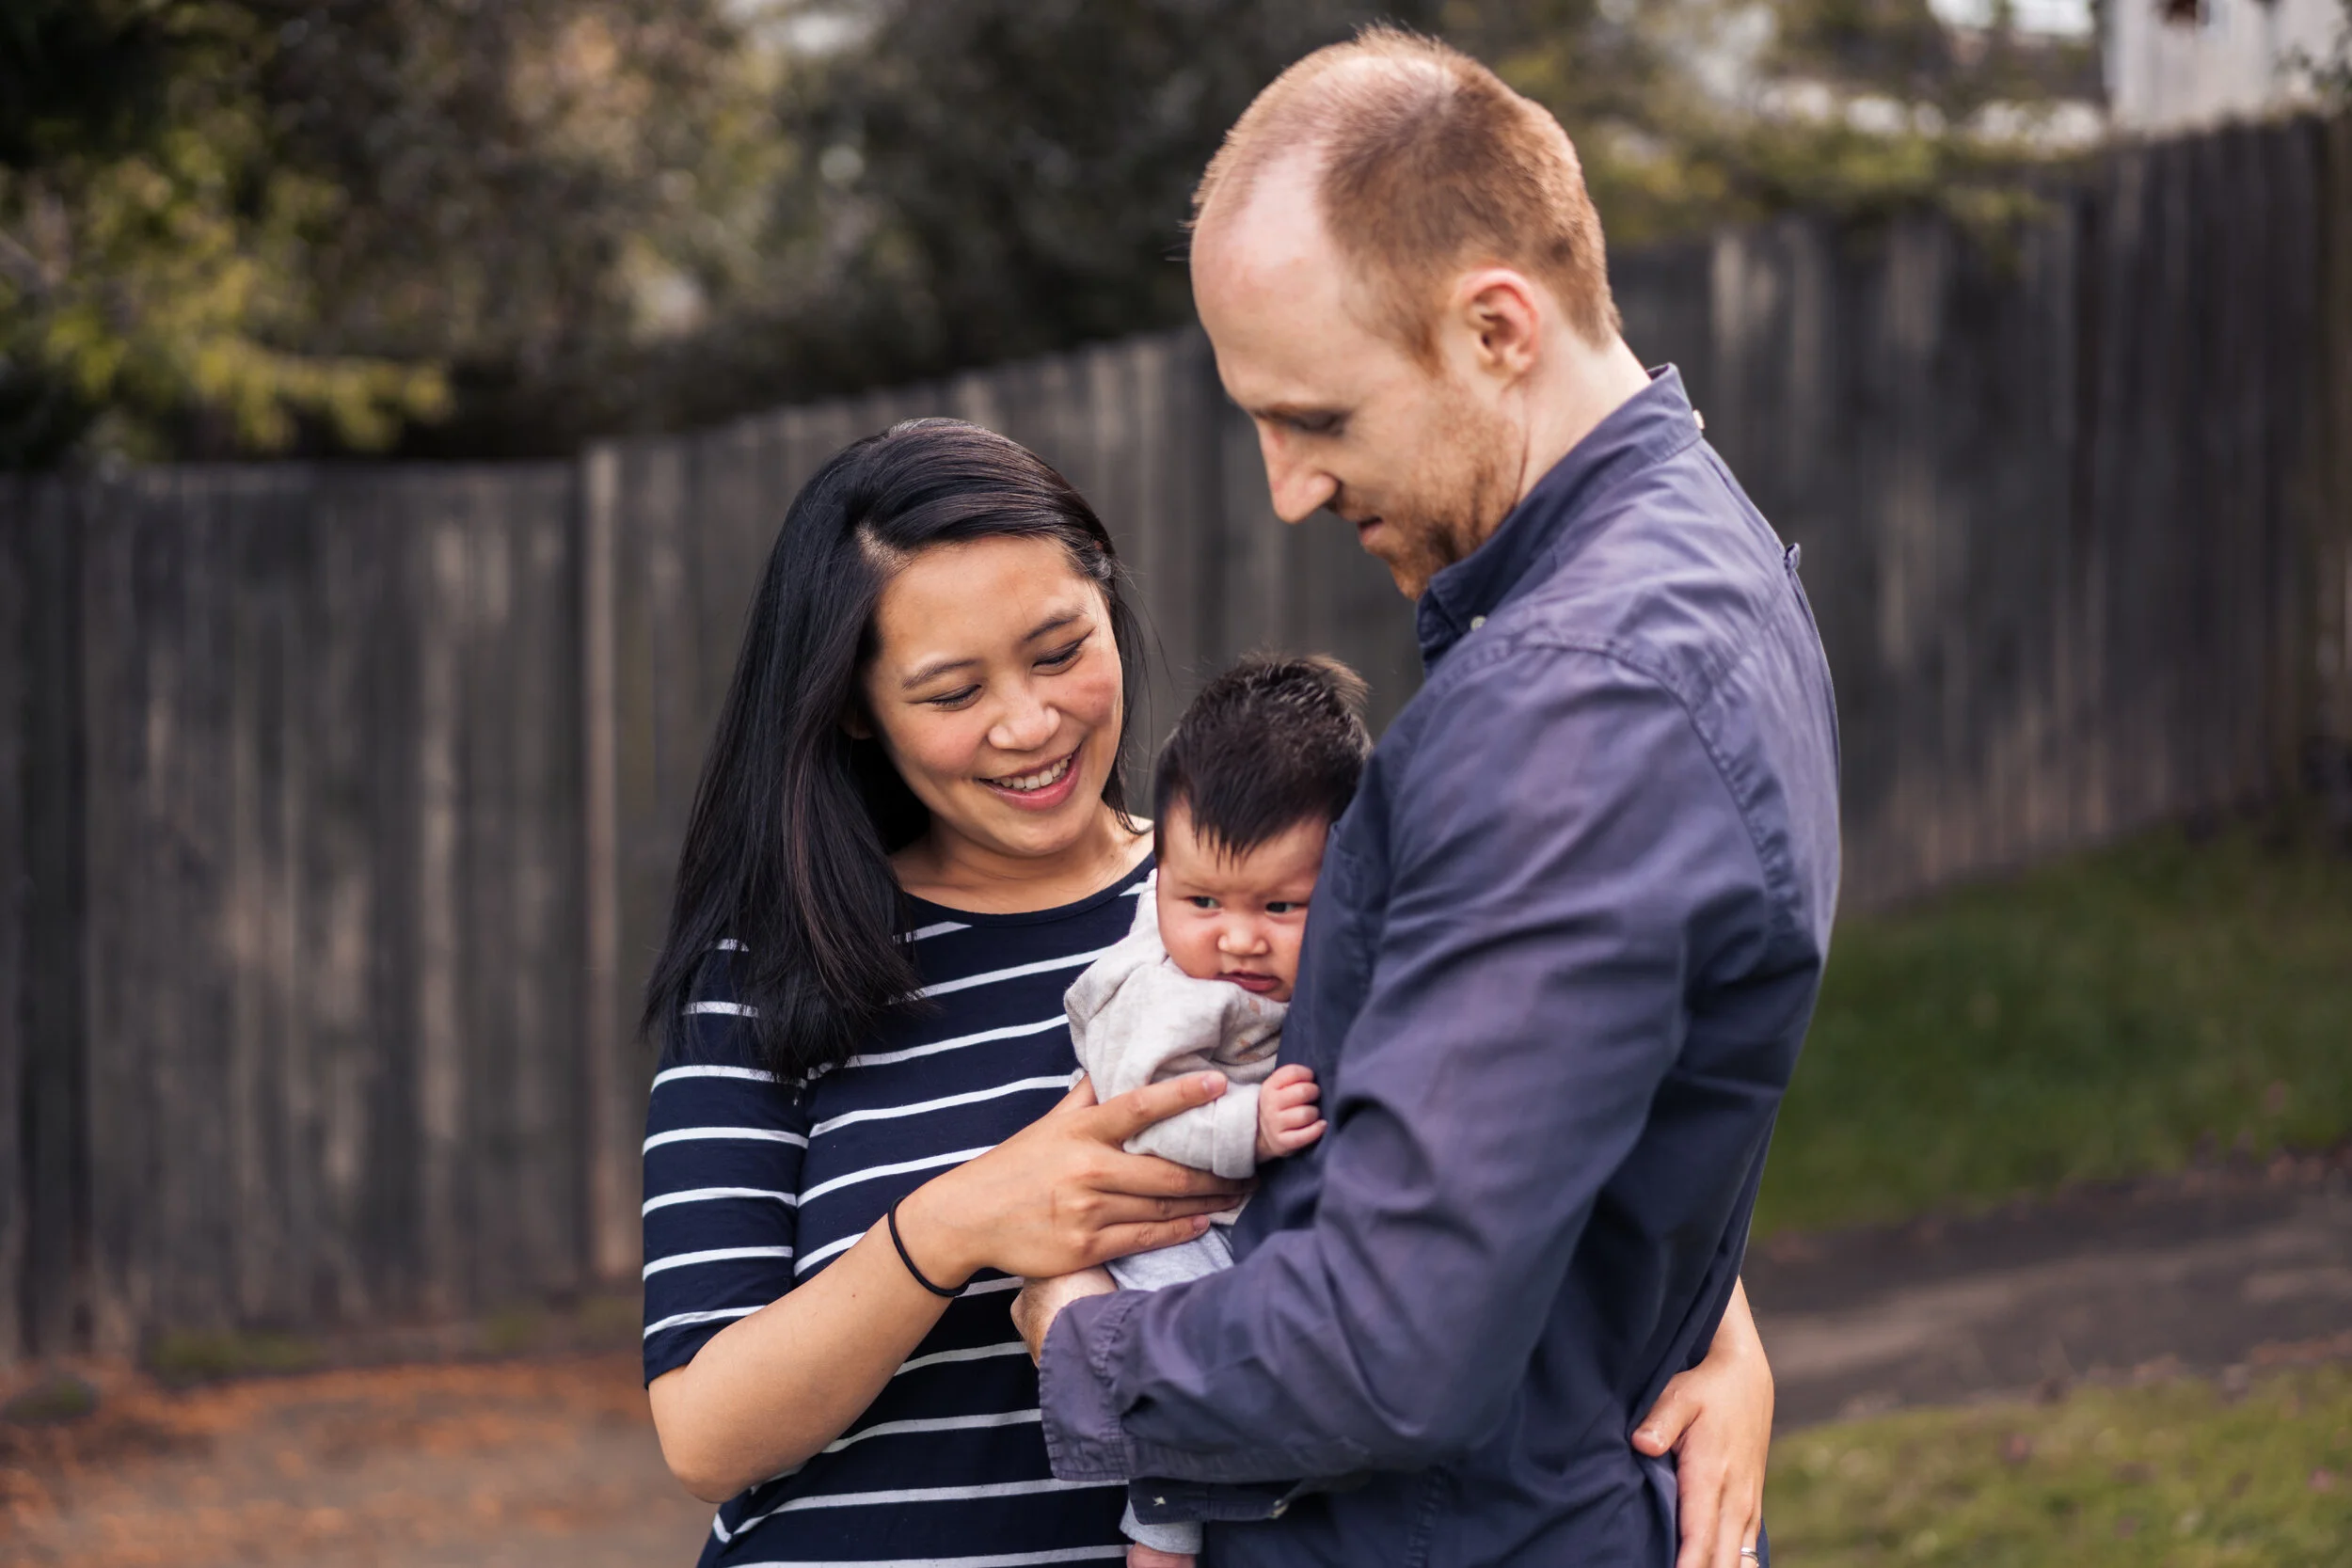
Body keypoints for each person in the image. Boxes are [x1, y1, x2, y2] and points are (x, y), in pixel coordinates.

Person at [637, 418, 1782, 1567]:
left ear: (1109, 605)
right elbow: (703, 1432)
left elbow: (1525, 1126)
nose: (1029, 722)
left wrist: (1719, 1339)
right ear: (852, 707)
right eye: (950, 691)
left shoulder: (1273, 907)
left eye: (1057, 648)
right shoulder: (770, 974)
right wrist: (957, 1223)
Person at [1015, 28, 1841, 1568]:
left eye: (1317, 419)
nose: (1286, 486)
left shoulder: (1571, 698)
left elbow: (1393, 1338)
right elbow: (1576, 1120)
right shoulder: (1702, 563)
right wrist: (1703, 1315)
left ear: (1496, 327)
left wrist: (1079, 1337)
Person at [1061, 655, 1373, 1563]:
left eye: (1281, 904)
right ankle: (1160, 1533)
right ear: (1162, 872)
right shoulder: (1159, 991)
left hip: (1256, 1224)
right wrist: (1248, 1126)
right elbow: (1143, 1114)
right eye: (1202, 900)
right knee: (1176, 1343)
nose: (1236, 937)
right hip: (1161, 1222)